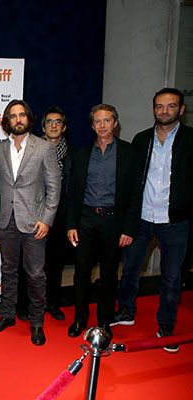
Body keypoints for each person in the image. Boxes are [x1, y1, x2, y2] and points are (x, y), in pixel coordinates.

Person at [113, 88, 193, 352]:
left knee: (171, 275)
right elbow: (133, 179)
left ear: (181, 109)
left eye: (171, 106)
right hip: (143, 216)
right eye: (159, 106)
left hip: (175, 220)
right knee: (131, 268)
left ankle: (166, 324)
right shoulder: (142, 139)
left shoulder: (190, 139)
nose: (164, 111)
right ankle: (126, 311)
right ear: (153, 109)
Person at [66, 104, 141, 340]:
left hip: (113, 221)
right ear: (92, 125)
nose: (102, 125)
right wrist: (71, 224)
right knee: (81, 272)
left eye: (107, 120)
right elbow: (72, 193)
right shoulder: (82, 153)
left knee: (108, 274)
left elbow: (135, 195)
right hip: (86, 219)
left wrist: (129, 228)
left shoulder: (129, 153)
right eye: (97, 121)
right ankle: (80, 318)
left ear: (115, 123)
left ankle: (104, 321)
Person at [0, 100, 60, 346]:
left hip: (34, 223)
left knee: (36, 274)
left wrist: (46, 219)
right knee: (8, 271)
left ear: (28, 118)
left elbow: (54, 187)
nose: (17, 119)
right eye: (12, 116)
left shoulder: (43, 148)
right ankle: (7, 315)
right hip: (7, 220)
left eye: (21, 115)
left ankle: (37, 322)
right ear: (6, 121)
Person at [16, 107, 72, 321]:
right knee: (28, 264)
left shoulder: (71, 154)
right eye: (50, 122)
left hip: (59, 216)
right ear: (43, 127)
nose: (54, 125)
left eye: (58, 122)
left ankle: (52, 302)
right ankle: (25, 304)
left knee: (55, 263)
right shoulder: (33, 149)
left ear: (64, 127)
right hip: (32, 214)